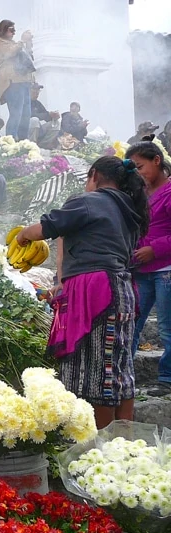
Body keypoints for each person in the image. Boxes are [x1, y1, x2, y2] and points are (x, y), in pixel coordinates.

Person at [16, 156, 149, 428]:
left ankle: (99, 444)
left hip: (96, 292)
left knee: (98, 371)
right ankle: (124, 442)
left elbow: (47, 227)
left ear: (94, 175)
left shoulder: (89, 201)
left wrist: (22, 236)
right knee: (120, 369)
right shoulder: (127, 207)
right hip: (120, 289)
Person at [126, 142, 171, 397]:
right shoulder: (139, 192)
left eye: (140, 166)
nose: (138, 172)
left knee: (167, 326)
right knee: (132, 322)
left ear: (156, 160)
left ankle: (167, 378)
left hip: (166, 268)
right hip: (141, 270)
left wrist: (154, 249)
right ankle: (124, 373)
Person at [0, 20, 34, 141]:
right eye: (11, 29)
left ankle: (24, 142)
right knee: (16, 114)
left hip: (23, 82)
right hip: (12, 82)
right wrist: (22, 41)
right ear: (3, 30)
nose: (14, 33)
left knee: (26, 115)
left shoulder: (14, 43)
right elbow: (9, 53)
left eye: (15, 30)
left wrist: (28, 44)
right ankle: (10, 141)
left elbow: (28, 59)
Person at [28, 84, 61, 149]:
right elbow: (30, 115)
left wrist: (53, 116)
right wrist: (48, 114)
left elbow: (46, 116)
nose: (36, 94)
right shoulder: (24, 102)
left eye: (38, 93)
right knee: (34, 120)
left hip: (38, 129)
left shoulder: (37, 103)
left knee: (56, 123)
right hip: (26, 129)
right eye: (34, 92)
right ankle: (32, 145)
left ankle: (44, 144)